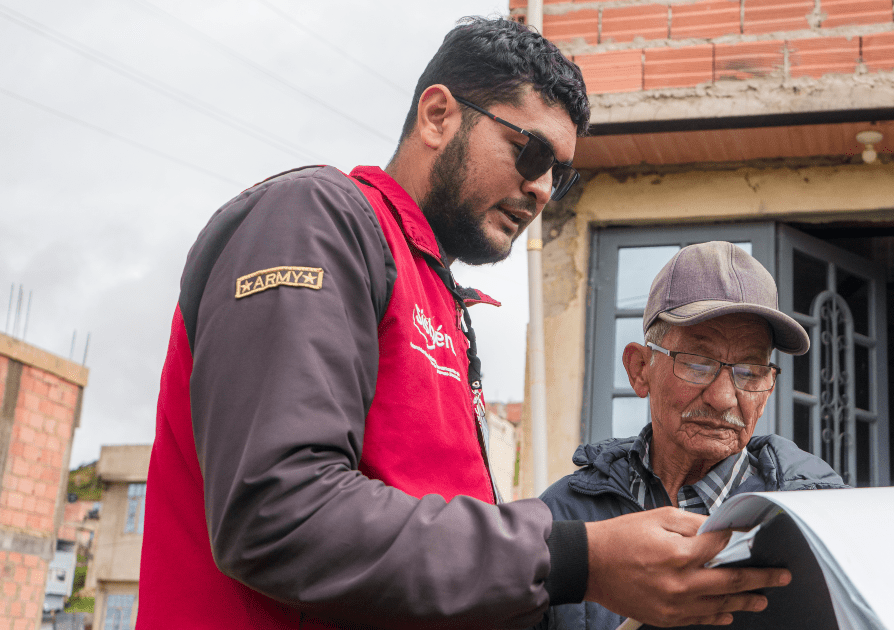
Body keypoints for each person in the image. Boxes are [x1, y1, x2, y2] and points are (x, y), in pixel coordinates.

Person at [137, 17, 791, 630]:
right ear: (438, 115)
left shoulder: (437, 291)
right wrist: (578, 558)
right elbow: (278, 512)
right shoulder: (314, 221)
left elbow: (433, 560)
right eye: (528, 151)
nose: (541, 188)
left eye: (559, 175)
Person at [537, 241, 848, 630]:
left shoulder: (815, 518)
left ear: (767, 391)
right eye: (698, 363)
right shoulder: (565, 519)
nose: (722, 398)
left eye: (750, 371)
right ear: (640, 369)